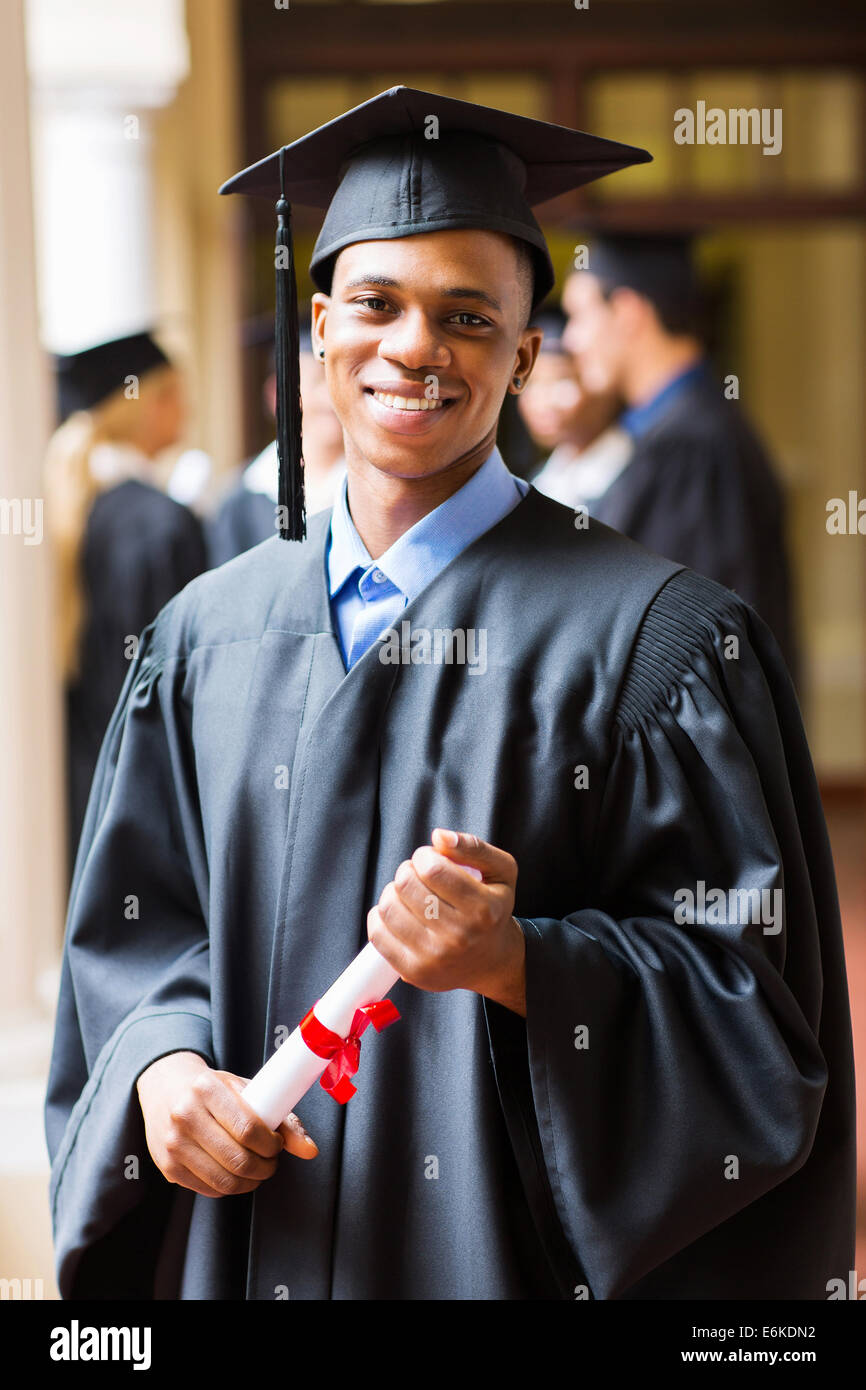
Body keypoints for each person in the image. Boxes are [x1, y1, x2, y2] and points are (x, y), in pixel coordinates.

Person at [46, 88, 854, 1301]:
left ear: (525, 356)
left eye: (465, 317)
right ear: (318, 331)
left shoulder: (658, 645)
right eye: (373, 305)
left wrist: (523, 961)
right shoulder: (203, 636)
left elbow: (753, 1026)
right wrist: (161, 1074)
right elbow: (137, 930)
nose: (413, 347)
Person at [561, 232, 799, 681]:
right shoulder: (677, 429)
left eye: (579, 315)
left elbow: (684, 637)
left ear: (628, 313)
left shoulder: (694, 447)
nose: (571, 340)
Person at [45, 331, 207, 876]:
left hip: (83, 782)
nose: (187, 409)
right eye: (177, 394)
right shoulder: (161, 524)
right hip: (150, 789)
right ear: (149, 404)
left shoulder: (77, 507)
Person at [208, 320, 345, 567]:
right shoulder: (242, 501)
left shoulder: (385, 491)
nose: (329, 398)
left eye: (338, 379)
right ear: (278, 396)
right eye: (315, 381)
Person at [517, 306, 632, 510]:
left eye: (562, 380)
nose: (542, 400)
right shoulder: (541, 483)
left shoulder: (636, 472)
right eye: (530, 383)